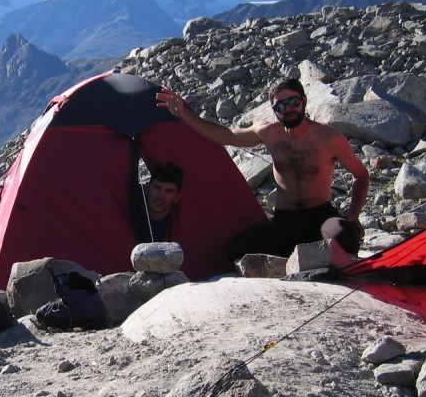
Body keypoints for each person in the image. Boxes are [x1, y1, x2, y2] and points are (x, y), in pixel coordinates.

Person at [156, 77, 369, 260]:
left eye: (293, 102)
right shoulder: (269, 133)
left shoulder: (329, 138)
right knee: (237, 249)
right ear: (274, 109)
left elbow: (360, 175)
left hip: (320, 216)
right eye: (280, 106)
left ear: (303, 101)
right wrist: (183, 113)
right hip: (284, 221)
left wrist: (353, 215)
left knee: (347, 237)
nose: (288, 109)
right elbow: (226, 136)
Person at [143, 162, 184, 242]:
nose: (161, 196)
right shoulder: (129, 209)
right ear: (147, 188)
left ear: (177, 197)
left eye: (169, 191)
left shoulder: (174, 230)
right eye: (157, 187)